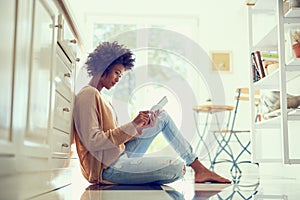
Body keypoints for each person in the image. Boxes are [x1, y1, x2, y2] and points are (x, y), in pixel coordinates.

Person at [73, 41, 231, 185]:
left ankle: (198, 168)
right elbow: (93, 141)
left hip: (119, 156)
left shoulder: (102, 97)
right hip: (105, 168)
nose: (118, 79)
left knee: (161, 116)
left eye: (120, 75)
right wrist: (132, 125)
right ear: (103, 67)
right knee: (175, 167)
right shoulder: (88, 95)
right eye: (116, 73)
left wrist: (139, 128)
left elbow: (114, 140)